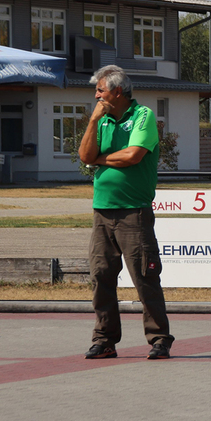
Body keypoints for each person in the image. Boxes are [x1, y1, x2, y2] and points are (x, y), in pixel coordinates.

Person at [78, 65, 173, 360]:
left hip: (134, 212)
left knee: (145, 276)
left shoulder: (143, 116)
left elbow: (133, 155)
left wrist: (100, 159)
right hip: (102, 210)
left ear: (117, 91)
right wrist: (93, 120)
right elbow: (84, 155)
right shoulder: (102, 120)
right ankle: (104, 339)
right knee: (101, 276)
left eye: (100, 91)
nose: (96, 96)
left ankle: (159, 338)